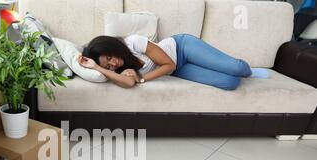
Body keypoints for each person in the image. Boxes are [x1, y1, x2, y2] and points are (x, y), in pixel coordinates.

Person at [78, 33, 253, 90]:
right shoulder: (120, 70)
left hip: (181, 48)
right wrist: (97, 68)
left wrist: (144, 79)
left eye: (110, 58)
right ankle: (233, 72)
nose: (113, 64)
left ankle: (251, 70)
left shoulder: (133, 42)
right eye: (108, 65)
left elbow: (169, 64)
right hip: (177, 69)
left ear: (112, 47)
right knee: (230, 83)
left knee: (236, 68)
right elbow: (130, 82)